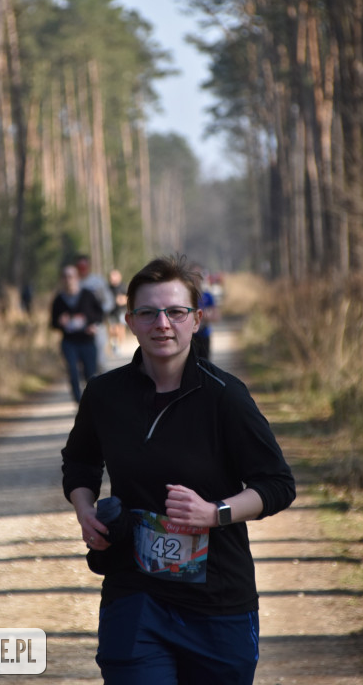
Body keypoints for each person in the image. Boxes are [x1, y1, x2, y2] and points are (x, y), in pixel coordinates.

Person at [61, 254, 296, 685]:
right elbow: (80, 461)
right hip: (134, 595)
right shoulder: (104, 395)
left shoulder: (225, 397)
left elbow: (277, 484)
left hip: (217, 603)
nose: (162, 324)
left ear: (197, 319)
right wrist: (84, 508)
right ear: (130, 320)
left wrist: (215, 512)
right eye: (148, 312)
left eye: (175, 312)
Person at [51, 265, 104, 403]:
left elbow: (100, 314)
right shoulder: (59, 299)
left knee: (90, 375)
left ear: (77, 278)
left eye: (72, 276)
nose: (69, 280)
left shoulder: (87, 295)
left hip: (87, 340)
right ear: (62, 279)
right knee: (73, 372)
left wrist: (93, 325)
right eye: (65, 276)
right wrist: (59, 322)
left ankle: (92, 402)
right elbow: (52, 323)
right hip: (69, 342)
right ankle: (79, 402)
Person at [76, 254, 115, 371]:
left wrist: (99, 313)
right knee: (82, 364)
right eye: (80, 266)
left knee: (100, 360)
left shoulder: (98, 282)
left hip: (97, 326)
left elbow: (109, 301)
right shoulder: (74, 283)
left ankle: (102, 385)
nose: (83, 269)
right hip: (79, 329)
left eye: (85, 266)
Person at [191, 263, 219, 360]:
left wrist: (206, 317)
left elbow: (216, 317)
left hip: (204, 336)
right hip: (190, 337)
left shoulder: (208, 296)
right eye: (194, 274)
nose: (196, 278)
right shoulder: (186, 296)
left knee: (205, 364)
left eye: (199, 274)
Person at [107, 268, 128, 354]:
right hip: (111, 311)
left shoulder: (123, 286)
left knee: (120, 328)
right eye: (111, 277)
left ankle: (119, 346)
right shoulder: (108, 288)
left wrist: (122, 300)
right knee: (112, 329)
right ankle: (114, 344)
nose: (113, 279)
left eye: (114, 276)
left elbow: (128, 298)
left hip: (121, 311)